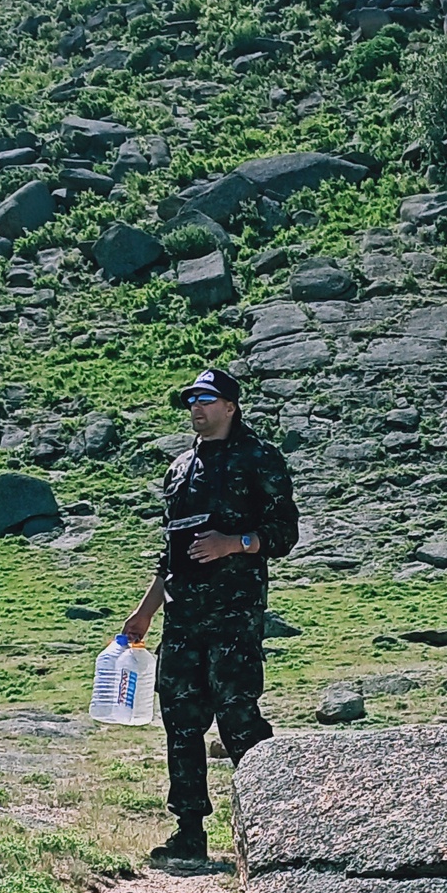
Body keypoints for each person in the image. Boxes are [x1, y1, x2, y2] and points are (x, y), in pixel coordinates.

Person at [121, 367, 299, 866]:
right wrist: (144, 613)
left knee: (238, 718)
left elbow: (284, 534)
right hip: (182, 618)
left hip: (233, 614)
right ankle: (189, 832)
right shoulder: (179, 469)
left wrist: (233, 544)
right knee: (180, 721)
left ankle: (275, 826)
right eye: (191, 402)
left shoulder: (260, 460)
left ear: (230, 406)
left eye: (206, 399)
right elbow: (172, 551)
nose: (197, 409)